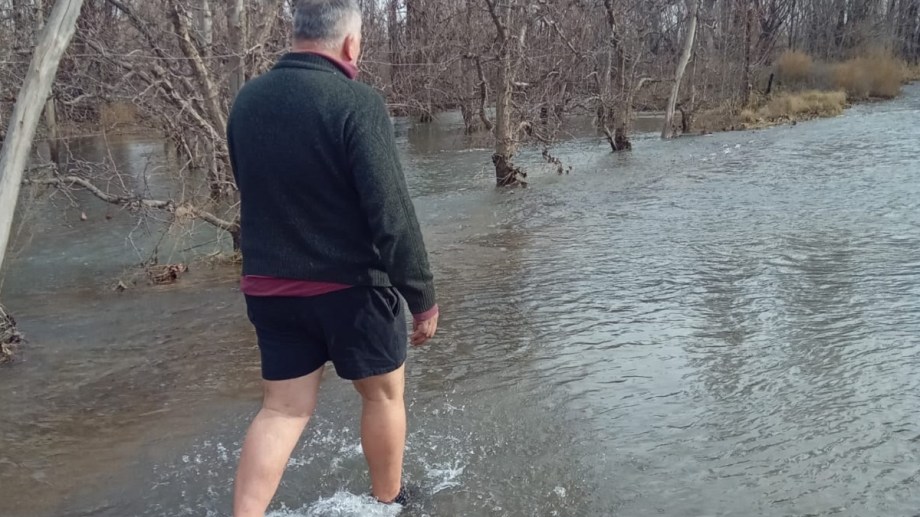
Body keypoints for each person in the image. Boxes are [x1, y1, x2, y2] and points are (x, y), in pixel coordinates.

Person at [226, 1, 439, 515]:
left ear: (296, 33)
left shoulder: (247, 101)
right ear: (350, 43)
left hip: (270, 289)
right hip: (351, 289)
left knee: (282, 410)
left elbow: (251, 188)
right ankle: (388, 502)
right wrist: (421, 296)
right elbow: (391, 213)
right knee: (382, 396)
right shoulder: (356, 103)